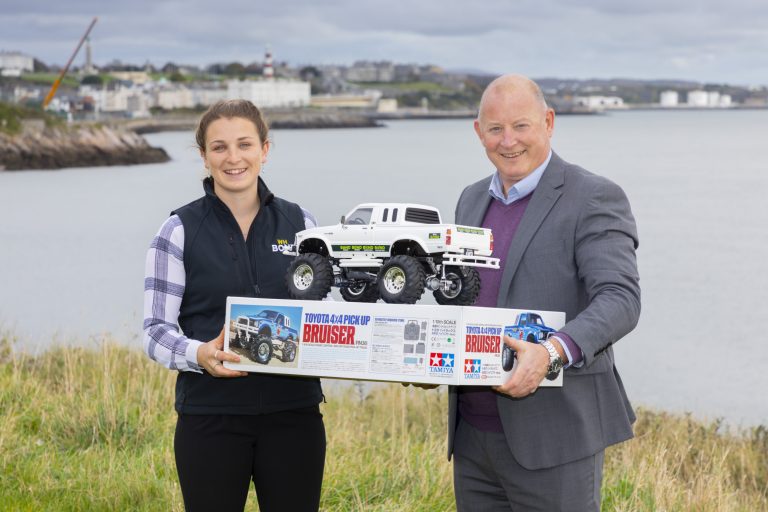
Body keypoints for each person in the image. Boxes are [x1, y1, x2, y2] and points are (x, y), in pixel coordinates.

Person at [448, 75, 640, 511]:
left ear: (549, 122)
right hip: (473, 438)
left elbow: (620, 298)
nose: (508, 141)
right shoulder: (469, 200)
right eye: (495, 129)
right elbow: (464, 298)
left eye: (521, 126)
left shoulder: (593, 196)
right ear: (478, 133)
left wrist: (551, 352)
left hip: (557, 439)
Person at [143, 99, 325, 512]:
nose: (233, 158)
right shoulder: (177, 231)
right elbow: (155, 331)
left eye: (244, 144)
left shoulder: (303, 225)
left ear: (265, 149)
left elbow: (325, 316)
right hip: (210, 419)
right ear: (204, 157)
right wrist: (199, 354)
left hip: (294, 416)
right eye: (219, 147)